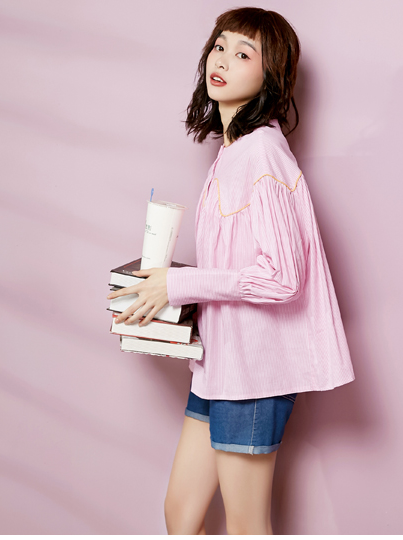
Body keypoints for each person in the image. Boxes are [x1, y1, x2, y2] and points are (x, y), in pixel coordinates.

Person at [107, 7, 354, 535]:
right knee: (181, 514)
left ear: (271, 76)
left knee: (246, 527)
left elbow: (282, 277)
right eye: (220, 46)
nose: (222, 60)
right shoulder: (234, 151)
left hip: (255, 374)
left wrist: (179, 284)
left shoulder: (262, 155)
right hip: (220, 364)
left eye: (244, 54)